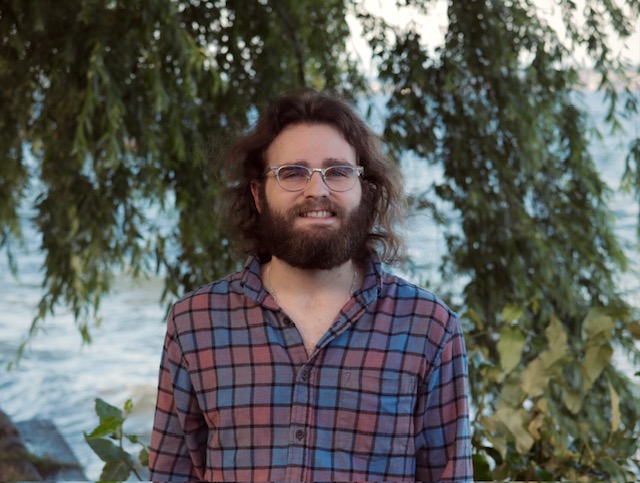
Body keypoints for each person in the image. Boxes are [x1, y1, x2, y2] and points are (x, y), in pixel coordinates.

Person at [149, 89, 473, 482]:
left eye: (337, 172)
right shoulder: (195, 324)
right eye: (293, 172)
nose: (316, 190)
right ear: (257, 194)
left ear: (365, 191)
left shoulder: (430, 329)